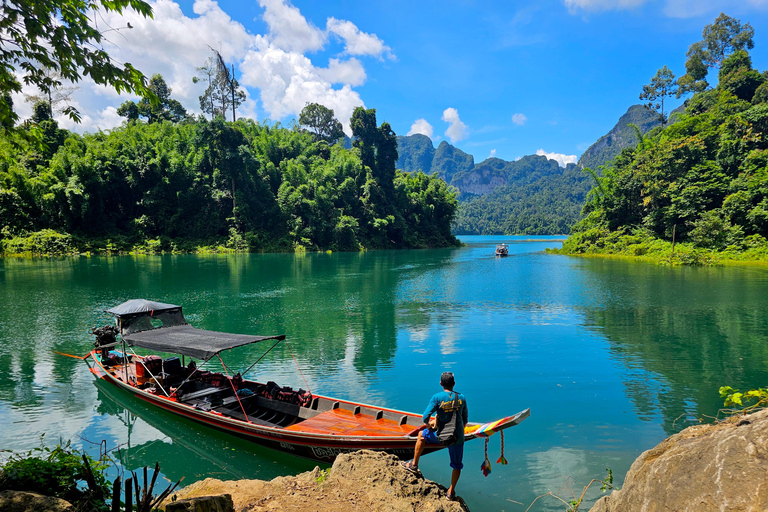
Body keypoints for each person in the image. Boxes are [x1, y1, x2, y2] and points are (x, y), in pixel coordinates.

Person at [401, 371, 468, 500]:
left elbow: (425, 416)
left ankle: (414, 465)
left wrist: (429, 425)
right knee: (457, 465)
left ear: (441, 383)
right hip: (457, 438)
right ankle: (450, 492)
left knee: (421, 435)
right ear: (454, 384)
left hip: (440, 436)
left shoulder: (437, 397)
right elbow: (465, 419)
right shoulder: (462, 398)